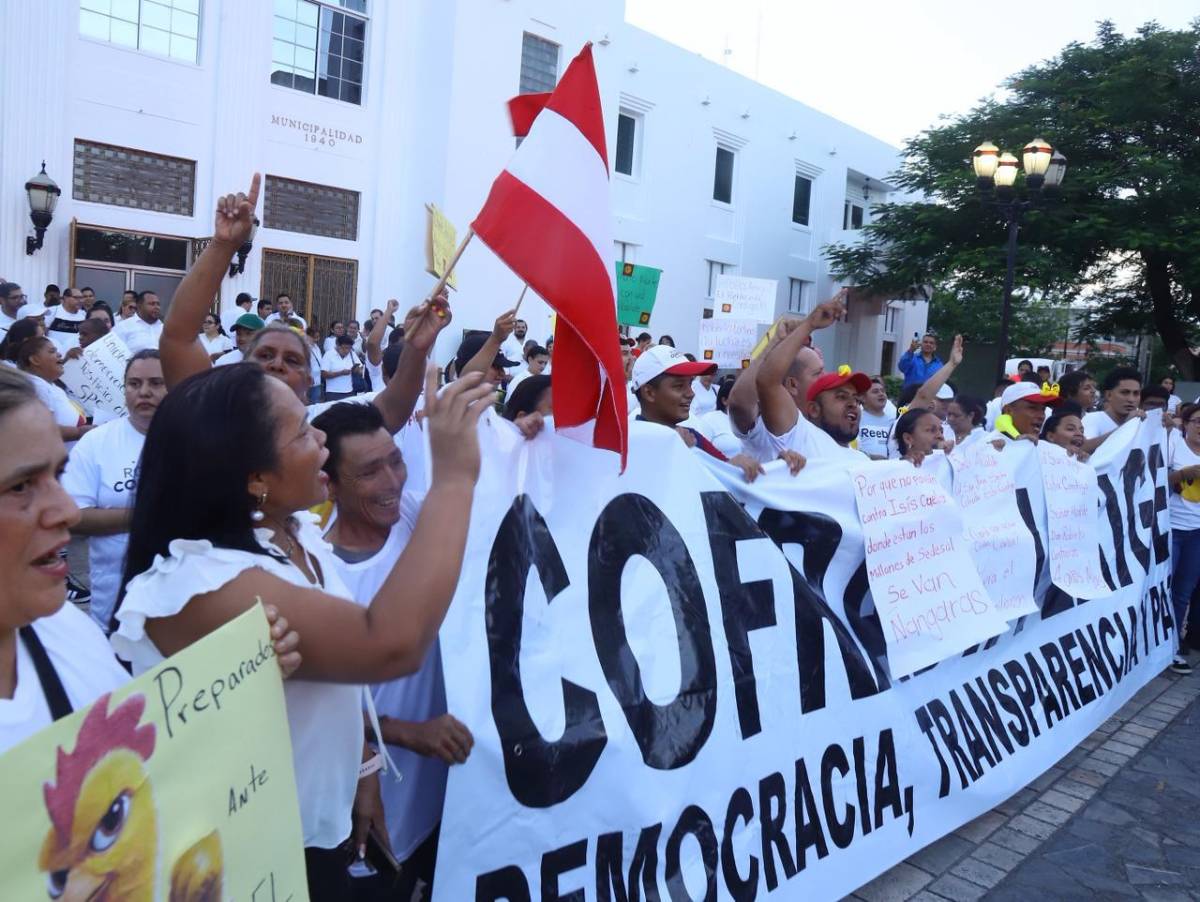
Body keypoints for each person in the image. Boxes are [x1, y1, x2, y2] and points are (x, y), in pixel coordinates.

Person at [111, 361, 492, 899]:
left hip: (313, 830)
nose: (321, 443)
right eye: (302, 432)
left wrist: (364, 770)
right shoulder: (200, 583)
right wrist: (455, 479)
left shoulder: (292, 535)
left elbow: (336, 680)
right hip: (246, 854)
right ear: (255, 479)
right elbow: (387, 644)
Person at [313, 401, 472, 896]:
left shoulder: (418, 516)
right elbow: (305, 700)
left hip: (448, 797)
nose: (392, 483)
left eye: (395, 461)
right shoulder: (315, 575)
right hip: (378, 817)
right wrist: (408, 732)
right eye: (368, 472)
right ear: (329, 485)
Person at [61, 351, 165, 632]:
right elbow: (74, 518)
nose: (144, 392)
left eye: (156, 383)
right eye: (134, 384)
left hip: (182, 609)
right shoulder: (96, 442)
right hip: (114, 608)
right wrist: (146, 515)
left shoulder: (194, 441)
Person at [632, 345, 785, 479]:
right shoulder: (630, 444)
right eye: (678, 386)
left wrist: (778, 467)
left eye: (690, 383)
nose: (691, 393)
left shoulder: (693, 437)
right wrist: (673, 452)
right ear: (649, 393)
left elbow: (728, 473)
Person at [1167, 402, 1200, 674]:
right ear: (1186, 423)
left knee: (1182, 594)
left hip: (1197, 534)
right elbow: (1153, 479)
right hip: (1171, 529)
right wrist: (1181, 474)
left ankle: (1172, 647)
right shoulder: (1173, 446)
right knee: (1161, 589)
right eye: (1197, 421)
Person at [17, 338, 89, 448]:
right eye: (52, 351)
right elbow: (42, 430)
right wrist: (79, 432)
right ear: (35, 360)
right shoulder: (36, 386)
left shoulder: (49, 386)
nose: (59, 354)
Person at [1083, 367, 1142, 441]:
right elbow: (1084, 447)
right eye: (1124, 392)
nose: (1131, 399)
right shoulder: (1092, 419)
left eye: (1136, 393)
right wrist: (1125, 427)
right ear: (1109, 395)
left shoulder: (1143, 422)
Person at [991, 381, 1060, 443]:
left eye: (1043, 409)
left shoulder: (1049, 449)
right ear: (1008, 411)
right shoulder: (988, 447)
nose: (1041, 416)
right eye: (1032, 408)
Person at [857, 376, 896, 460]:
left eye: (883, 391)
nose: (881, 394)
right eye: (875, 392)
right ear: (863, 398)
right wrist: (871, 457)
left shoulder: (894, 421)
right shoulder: (856, 419)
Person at [43, 287, 87, 357]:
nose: (80, 301)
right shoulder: (53, 311)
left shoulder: (84, 315)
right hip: (55, 355)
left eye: (81, 298)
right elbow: (43, 333)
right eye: (76, 298)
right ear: (66, 298)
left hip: (75, 357)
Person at [322, 334, 359, 401]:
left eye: (349, 348)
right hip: (333, 392)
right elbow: (324, 374)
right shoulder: (329, 354)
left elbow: (360, 368)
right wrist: (341, 373)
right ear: (338, 345)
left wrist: (356, 370)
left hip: (349, 391)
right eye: (344, 348)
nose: (347, 351)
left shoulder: (352, 353)